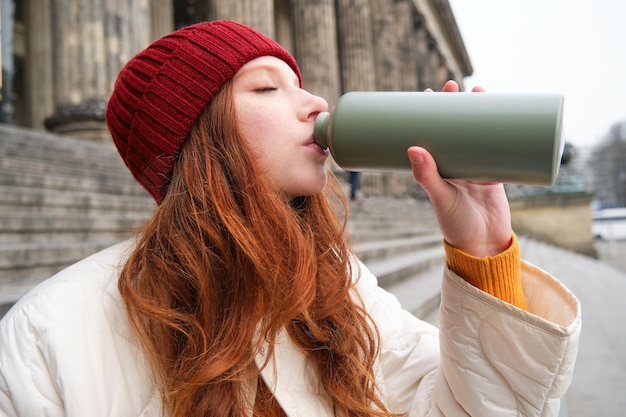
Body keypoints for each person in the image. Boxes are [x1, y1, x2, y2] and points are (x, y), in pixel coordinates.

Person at [0, 20, 580, 417]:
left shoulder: (339, 286)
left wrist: (481, 251)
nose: (317, 103)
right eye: (267, 87)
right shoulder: (44, 337)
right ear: (196, 136)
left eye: (300, 85)